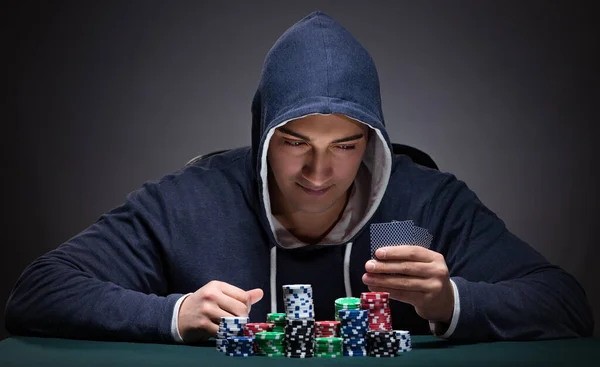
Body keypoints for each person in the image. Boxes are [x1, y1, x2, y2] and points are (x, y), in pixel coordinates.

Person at [5, 11, 593, 344]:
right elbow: (38, 292)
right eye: (294, 143)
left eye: (346, 145)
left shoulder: (427, 200)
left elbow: (566, 304)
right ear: (263, 135)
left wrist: (450, 299)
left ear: (374, 143)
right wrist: (171, 313)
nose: (319, 171)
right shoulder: (188, 201)